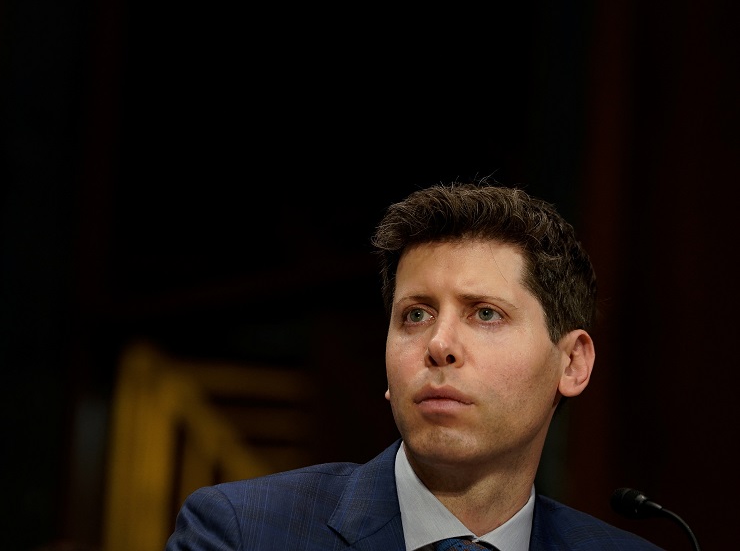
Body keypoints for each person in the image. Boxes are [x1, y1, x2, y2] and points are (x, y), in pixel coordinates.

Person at [165, 182, 663, 550]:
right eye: (416, 315)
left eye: (485, 314)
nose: (438, 344)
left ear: (572, 363)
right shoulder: (242, 532)